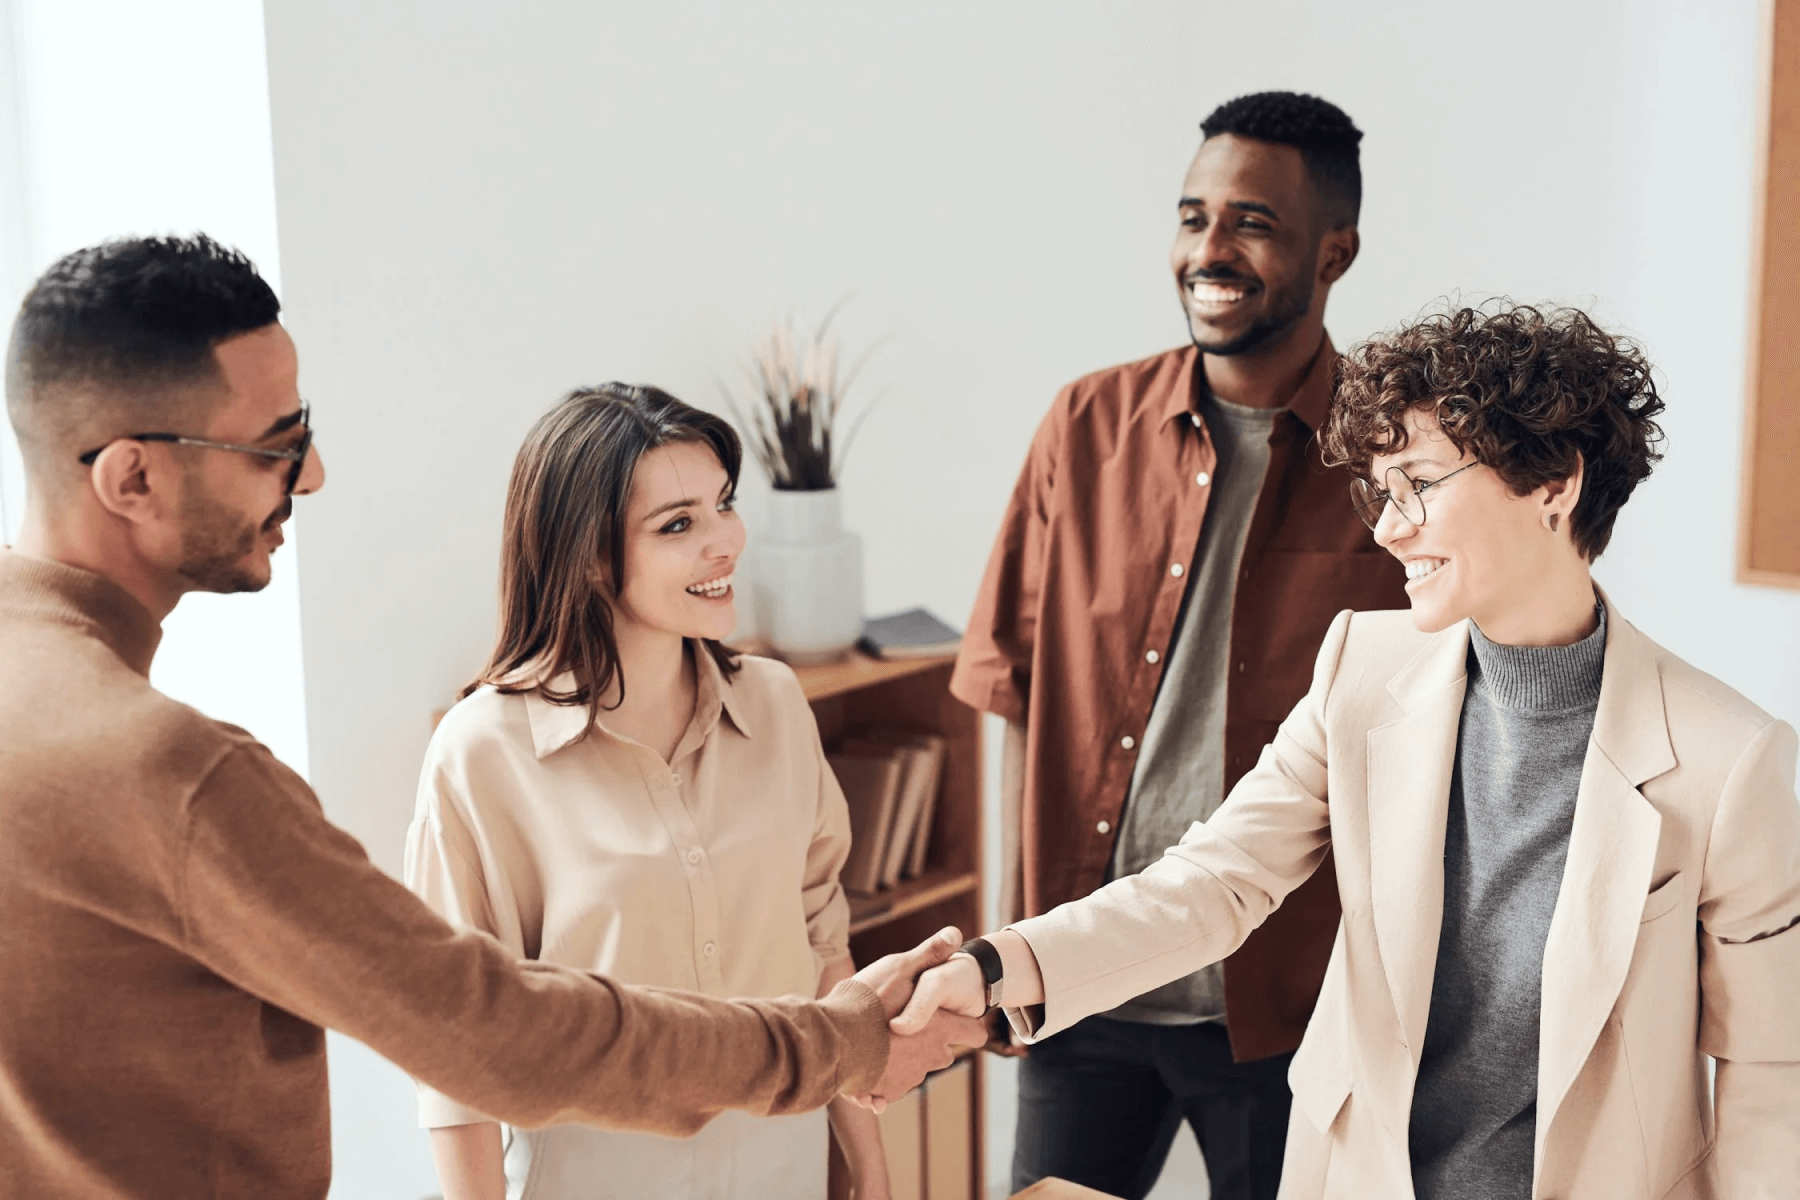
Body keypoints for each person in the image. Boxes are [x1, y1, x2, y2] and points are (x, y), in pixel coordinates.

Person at [0, 235, 984, 1199]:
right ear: (129, 478)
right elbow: (486, 1034)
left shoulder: (770, 704)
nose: (312, 476)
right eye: (276, 447)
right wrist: (840, 1042)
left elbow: (814, 933)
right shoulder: (175, 771)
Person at [901, 302, 1800, 1197]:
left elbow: (1773, 1076)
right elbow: (1214, 882)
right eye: (1380, 490)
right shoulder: (1359, 671)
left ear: (1554, 484)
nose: (1387, 527)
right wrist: (992, 969)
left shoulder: (1730, 760)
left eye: (1418, 483)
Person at [950, 91, 1406, 1199]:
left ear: (1333, 252)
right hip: (1082, 983)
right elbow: (1006, 692)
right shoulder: (1083, 427)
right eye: (1194, 215)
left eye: (1252, 222)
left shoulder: (1395, 457)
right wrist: (1008, 947)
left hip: (1286, 1006)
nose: (1210, 249)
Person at [408, 383, 890, 1200]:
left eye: (723, 506)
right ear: (591, 557)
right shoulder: (484, 752)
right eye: (678, 525)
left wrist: (871, 1173)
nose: (725, 543)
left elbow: (824, 955)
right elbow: (456, 1053)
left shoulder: (774, 706)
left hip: (786, 1180)